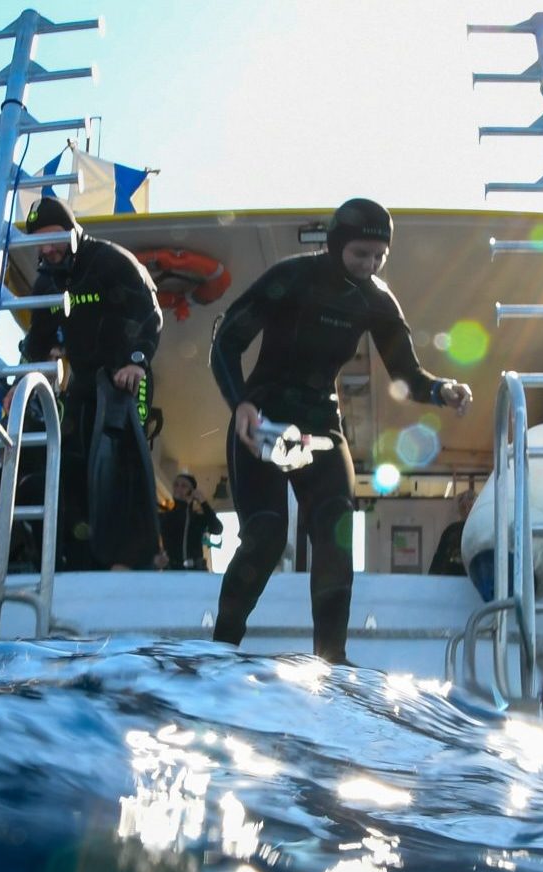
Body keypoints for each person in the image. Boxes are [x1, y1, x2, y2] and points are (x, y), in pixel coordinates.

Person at [208, 198, 471, 663]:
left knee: (335, 530)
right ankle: (221, 648)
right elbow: (226, 342)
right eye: (360, 254)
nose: (369, 265)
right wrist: (240, 403)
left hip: (320, 425)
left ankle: (332, 658)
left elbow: (406, 374)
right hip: (264, 417)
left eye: (379, 256)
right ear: (335, 245)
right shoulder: (292, 277)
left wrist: (441, 390)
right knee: (267, 534)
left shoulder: (377, 300)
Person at [17, 195, 163, 570]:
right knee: (72, 459)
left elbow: (149, 314)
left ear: (71, 232)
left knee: (119, 456)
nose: (47, 250)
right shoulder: (45, 284)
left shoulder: (110, 260)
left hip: (124, 377)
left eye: (53, 239)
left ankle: (135, 556)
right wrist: (43, 357)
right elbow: (37, 339)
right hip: (82, 383)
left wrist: (136, 361)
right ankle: (82, 556)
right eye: (39, 244)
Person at [157, 472, 223, 571]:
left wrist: (203, 502)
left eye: (184, 486)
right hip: (172, 569)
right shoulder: (165, 516)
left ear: (192, 491)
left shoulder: (197, 518)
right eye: (176, 485)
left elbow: (217, 529)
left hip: (196, 570)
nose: (178, 488)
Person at [426, 485, 475, 576]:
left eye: (470, 506)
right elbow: (439, 559)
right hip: (453, 577)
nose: (467, 510)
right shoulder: (452, 530)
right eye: (463, 507)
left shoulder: (481, 530)